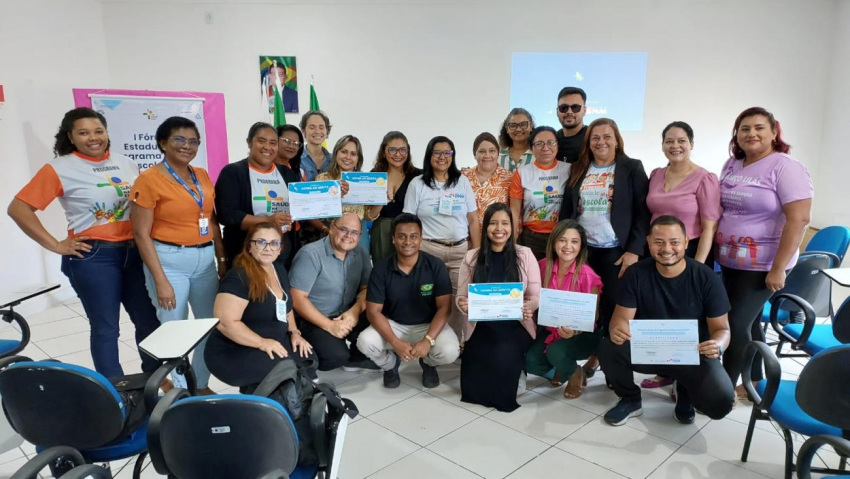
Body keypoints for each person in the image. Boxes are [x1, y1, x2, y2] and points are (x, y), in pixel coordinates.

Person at [7, 107, 161, 380]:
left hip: (135, 253)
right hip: (94, 257)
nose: (93, 138)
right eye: (84, 133)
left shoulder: (126, 163)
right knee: (106, 328)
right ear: (71, 137)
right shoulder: (59, 168)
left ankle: (156, 380)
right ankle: (116, 391)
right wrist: (56, 245)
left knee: (148, 322)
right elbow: (18, 208)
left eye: (98, 131)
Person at [599, 216, 734, 426]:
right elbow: (621, 319)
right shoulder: (636, 274)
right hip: (649, 348)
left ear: (686, 242)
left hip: (692, 352)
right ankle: (630, 399)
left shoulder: (705, 277)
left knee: (719, 403)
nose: (667, 248)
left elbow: (722, 329)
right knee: (609, 346)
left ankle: (685, 391)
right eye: (659, 242)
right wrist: (618, 329)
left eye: (674, 242)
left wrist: (718, 345)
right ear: (649, 242)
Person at [716, 107, 812, 401]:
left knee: (735, 323)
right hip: (730, 261)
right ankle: (754, 380)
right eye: (744, 129)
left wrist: (778, 268)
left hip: (763, 265)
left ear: (774, 132)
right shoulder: (733, 164)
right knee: (752, 322)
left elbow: (799, 219)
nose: (751, 134)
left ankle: (725, 388)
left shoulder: (785, 167)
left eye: (759, 128)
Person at [131, 116, 225, 395]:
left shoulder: (202, 175)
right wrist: (160, 279)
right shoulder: (149, 180)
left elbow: (210, 217)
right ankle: (181, 391)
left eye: (193, 141)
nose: (187, 146)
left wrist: (221, 257)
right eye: (179, 140)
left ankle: (202, 383)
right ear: (163, 143)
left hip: (205, 260)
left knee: (211, 324)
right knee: (175, 329)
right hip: (168, 261)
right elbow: (140, 234)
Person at [642, 121, 723, 391]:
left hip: (691, 253)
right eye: (668, 141)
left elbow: (709, 226)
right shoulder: (655, 174)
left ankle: (686, 377)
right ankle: (665, 369)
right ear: (662, 144)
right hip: (658, 253)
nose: (674, 146)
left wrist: (697, 267)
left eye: (681, 141)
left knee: (688, 316)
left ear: (691, 144)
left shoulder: (705, 178)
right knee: (659, 311)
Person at [559, 118, 650, 335]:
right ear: (588, 142)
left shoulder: (631, 167)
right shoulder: (579, 168)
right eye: (595, 137)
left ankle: (603, 356)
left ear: (617, 140)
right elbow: (567, 208)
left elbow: (643, 213)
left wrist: (633, 251)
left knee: (611, 305)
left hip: (616, 251)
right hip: (583, 250)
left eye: (607, 136)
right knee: (584, 305)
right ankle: (588, 351)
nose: (602, 142)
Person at [206, 222, 315, 392]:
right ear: (249, 246)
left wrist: (294, 332)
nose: (268, 248)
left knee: (308, 358)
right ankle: (258, 403)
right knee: (282, 369)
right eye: (261, 242)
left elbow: (286, 306)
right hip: (234, 348)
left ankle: (283, 398)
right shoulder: (238, 276)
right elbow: (225, 323)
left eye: (274, 243)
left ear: (280, 248)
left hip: (271, 339)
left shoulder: (278, 269)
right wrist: (262, 343)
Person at [357, 214, 460, 388]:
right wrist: (395, 343)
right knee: (365, 342)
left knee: (450, 351)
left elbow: (444, 308)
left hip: (427, 325)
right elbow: (373, 312)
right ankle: (391, 365)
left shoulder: (435, 265)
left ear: (421, 238)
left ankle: (428, 364)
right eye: (401, 236)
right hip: (393, 325)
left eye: (413, 236)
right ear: (393, 239)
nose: (407, 242)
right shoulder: (381, 268)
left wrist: (428, 341)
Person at [456, 203, 541, 412]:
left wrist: (529, 306)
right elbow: (460, 295)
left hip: (515, 324)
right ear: (485, 227)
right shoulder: (472, 257)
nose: (499, 228)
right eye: (493, 223)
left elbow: (535, 295)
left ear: (512, 227)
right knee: (475, 375)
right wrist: (462, 304)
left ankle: (518, 371)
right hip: (481, 324)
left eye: (505, 223)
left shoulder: (525, 254)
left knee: (503, 354)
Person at [404, 136, 481, 341]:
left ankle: (453, 343)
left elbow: (473, 219)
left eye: (447, 153)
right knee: (428, 298)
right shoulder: (417, 184)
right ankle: (427, 341)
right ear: (429, 155)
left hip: (460, 251)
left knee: (459, 301)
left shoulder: (462, 181)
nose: (442, 157)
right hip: (429, 251)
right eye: (437, 152)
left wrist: (477, 252)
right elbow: (408, 221)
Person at [524, 220, 603, 399]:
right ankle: (564, 370)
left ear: (581, 246)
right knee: (530, 361)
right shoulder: (541, 266)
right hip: (550, 329)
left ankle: (576, 373)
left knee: (556, 352)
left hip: (582, 333)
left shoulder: (587, 275)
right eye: (562, 240)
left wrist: (575, 330)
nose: (568, 246)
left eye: (574, 241)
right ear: (553, 243)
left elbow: (594, 315)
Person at [289, 212, 377, 372]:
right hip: (314, 318)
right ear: (331, 228)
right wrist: (329, 326)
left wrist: (355, 311)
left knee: (381, 313)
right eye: (343, 229)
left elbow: (366, 288)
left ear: (360, 235)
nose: (348, 236)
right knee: (334, 357)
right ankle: (304, 359)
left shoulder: (361, 253)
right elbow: (297, 298)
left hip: (347, 311)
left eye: (355, 232)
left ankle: (356, 357)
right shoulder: (310, 254)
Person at [215, 122, 298, 271]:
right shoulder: (233, 172)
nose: (267, 147)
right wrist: (268, 220)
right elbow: (227, 215)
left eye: (273, 143)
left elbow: (303, 205)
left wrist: (334, 195)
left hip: (281, 253)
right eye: (261, 141)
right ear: (249, 142)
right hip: (244, 252)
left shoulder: (288, 174)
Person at [509, 126, 571, 260]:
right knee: (533, 279)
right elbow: (514, 211)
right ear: (531, 148)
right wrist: (512, 242)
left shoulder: (569, 170)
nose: (545, 148)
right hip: (531, 238)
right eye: (539, 144)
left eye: (551, 142)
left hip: (562, 236)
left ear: (557, 145)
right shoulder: (522, 173)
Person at [312, 135, 384, 245]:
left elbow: (368, 216)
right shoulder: (323, 179)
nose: (348, 157)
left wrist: (381, 200)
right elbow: (317, 212)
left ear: (358, 159)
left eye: (353, 154)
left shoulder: (364, 181)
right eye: (344, 152)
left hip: (358, 234)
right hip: (331, 232)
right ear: (336, 153)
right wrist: (337, 196)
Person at [369, 131, 422, 263]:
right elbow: (369, 215)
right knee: (382, 270)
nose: (398, 154)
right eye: (392, 150)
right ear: (383, 152)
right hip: (382, 231)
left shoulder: (418, 175)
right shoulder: (374, 175)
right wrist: (380, 200)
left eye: (403, 150)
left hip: (410, 232)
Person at [463, 132, 511, 225]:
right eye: (482, 151)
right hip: (467, 236)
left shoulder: (509, 178)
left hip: (498, 236)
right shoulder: (463, 178)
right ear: (474, 154)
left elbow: (516, 214)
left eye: (492, 150)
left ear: (498, 153)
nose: (487, 155)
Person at [555, 87, 588, 164]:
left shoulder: (593, 137)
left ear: (584, 110)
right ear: (557, 111)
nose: (569, 112)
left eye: (575, 107)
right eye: (564, 108)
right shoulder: (553, 139)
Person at [498, 108, 535, 173]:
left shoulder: (538, 154)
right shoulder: (498, 156)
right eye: (513, 125)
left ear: (531, 126)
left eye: (523, 124)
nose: (518, 129)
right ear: (507, 129)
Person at [299, 110, 332, 181]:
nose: (317, 131)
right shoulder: (296, 159)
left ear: (327, 131)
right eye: (312, 127)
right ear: (303, 131)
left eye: (321, 127)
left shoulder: (334, 160)